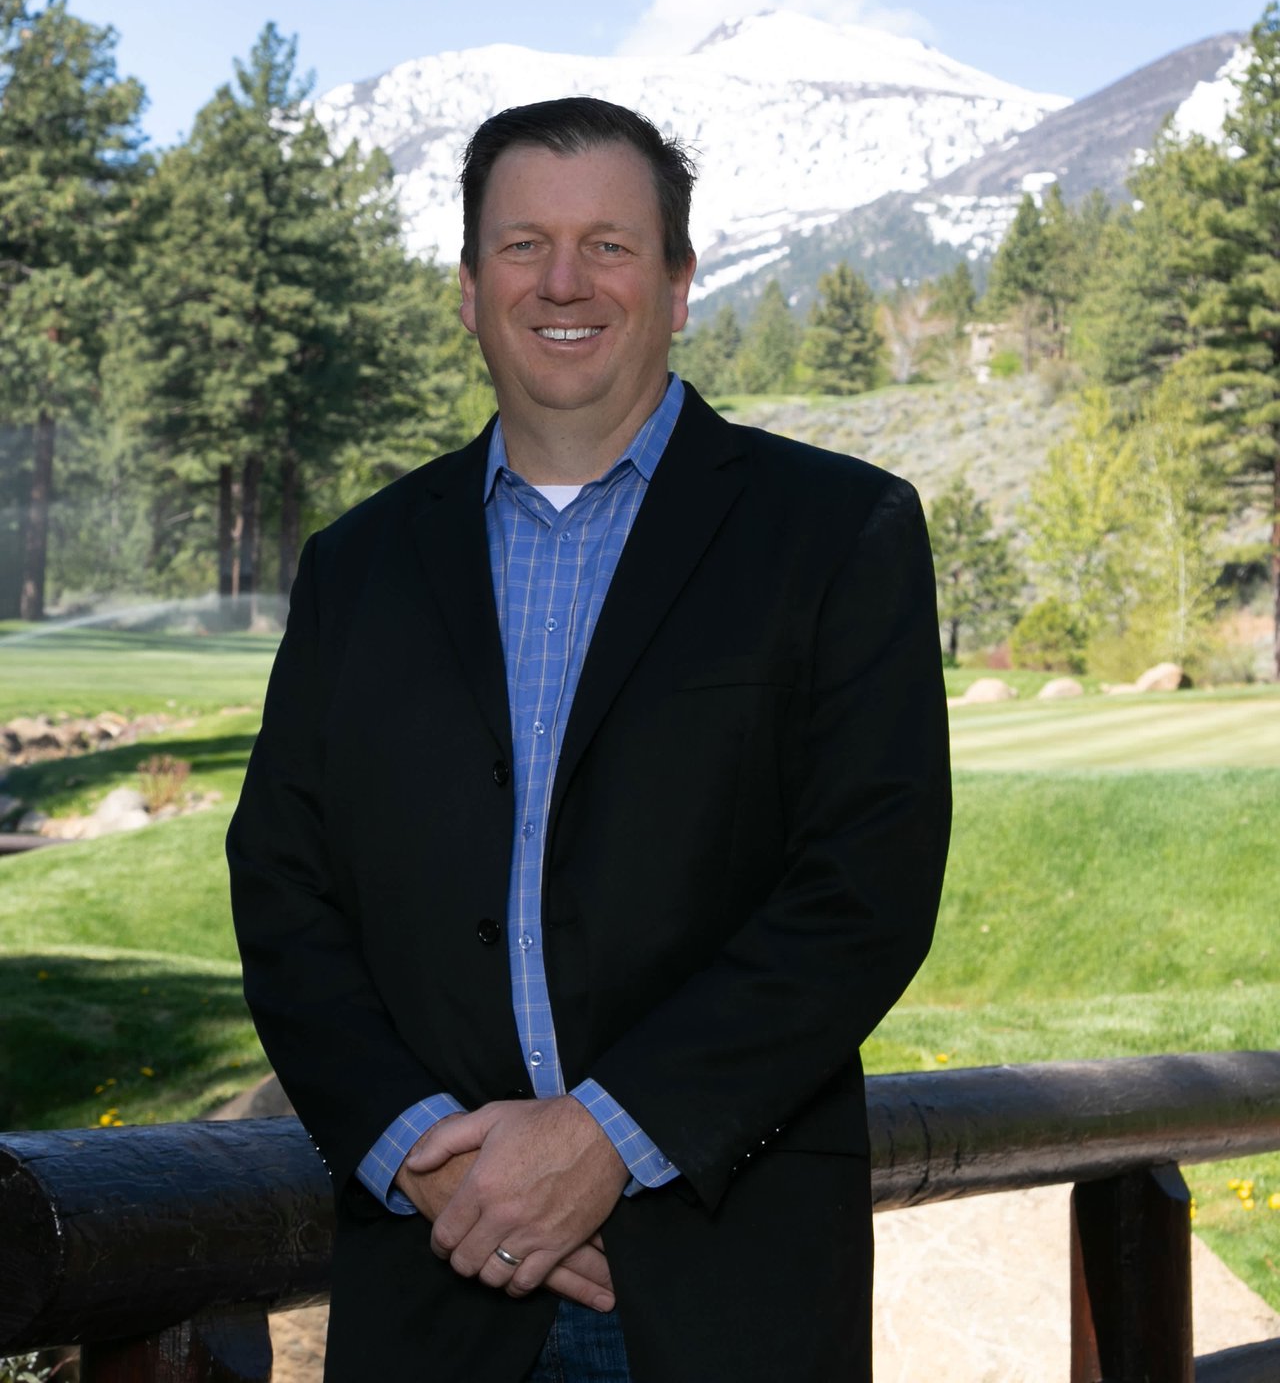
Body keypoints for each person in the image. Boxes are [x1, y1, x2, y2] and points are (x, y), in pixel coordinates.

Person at [226, 96, 951, 1383]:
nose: (564, 281)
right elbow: (283, 888)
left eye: (610, 245)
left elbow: (864, 889)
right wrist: (422, 1156)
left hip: (724, 1286)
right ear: (466, 288)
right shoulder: (359, 567)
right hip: (430, 1279)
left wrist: (605, 1138)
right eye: (521, 245)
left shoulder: (838, 534)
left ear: (677, 285)